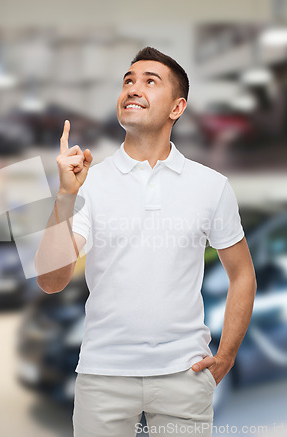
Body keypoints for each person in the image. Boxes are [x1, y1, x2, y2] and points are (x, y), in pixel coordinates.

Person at [35, 47, 257, 437]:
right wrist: (66, 196)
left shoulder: (211, 186)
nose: (133, 88)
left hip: (184, 375)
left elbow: (242, 275)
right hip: (103, 376)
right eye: (128, 81)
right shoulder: (92, 182)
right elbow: (50, 281)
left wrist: (226, 357)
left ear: (177, 107)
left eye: (149, 81)